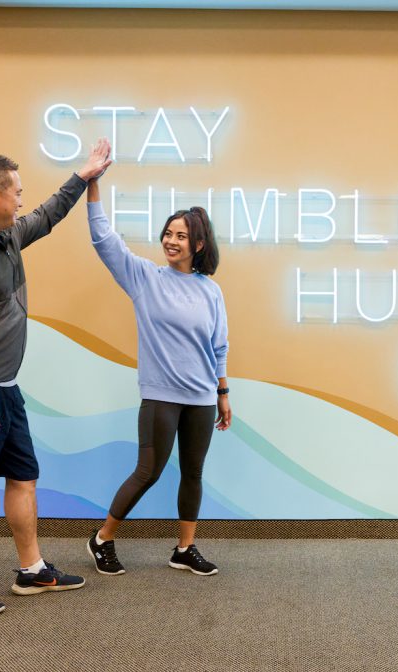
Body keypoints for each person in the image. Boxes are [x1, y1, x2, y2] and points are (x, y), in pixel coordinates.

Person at [0, 139, 111, 616]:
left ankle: (32, 569)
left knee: (24, 475)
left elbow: (48, 215)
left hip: (4, 386)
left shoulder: (5, 235)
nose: (22, 200)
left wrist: (84, 175)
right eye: (17, 191)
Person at [85, 151, 232, 577]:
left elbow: (219, 346)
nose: (171, 241)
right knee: (148, 471)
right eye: (168, 233)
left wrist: (222, 393)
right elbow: (104, 239)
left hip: (201, 396)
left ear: (198, 245)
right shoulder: (145, 279)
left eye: (181, 236)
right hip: (161, 395)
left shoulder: (211, 291)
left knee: (193, 473)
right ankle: (102, 538)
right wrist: (93, 183)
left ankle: (184, 548)